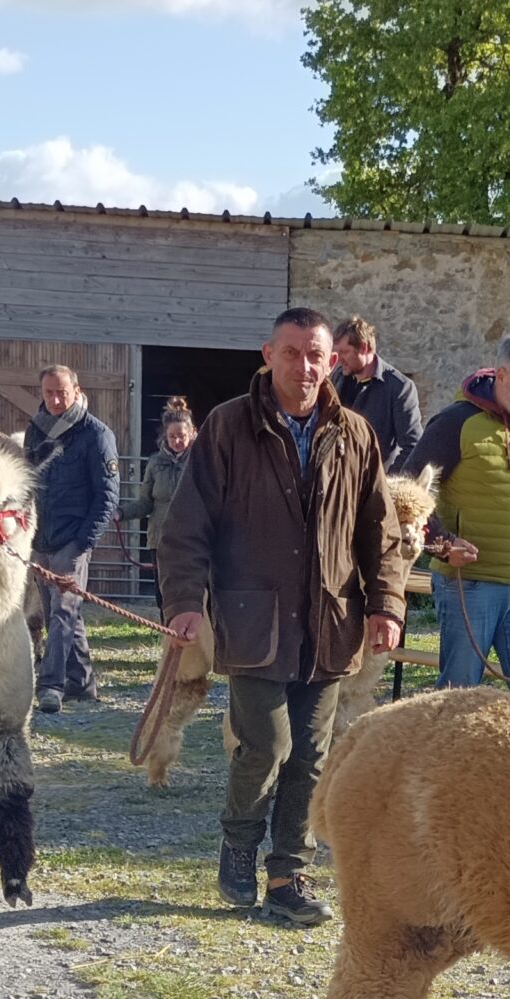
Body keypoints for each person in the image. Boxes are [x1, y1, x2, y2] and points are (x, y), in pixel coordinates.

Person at [158, 308, 410, 926]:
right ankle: (240, 845)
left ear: (333, 361)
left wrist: (386, 603)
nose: (304, 366)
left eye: (315, 355)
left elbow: (382, 531)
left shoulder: (355, 434)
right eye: (292, 353)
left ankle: (288, 874)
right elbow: (188, 527)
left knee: (311, 757)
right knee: (266, 746)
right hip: (252, 620)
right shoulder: (226, 428)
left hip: (330, 624)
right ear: (268, 354)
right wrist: (186, 602)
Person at [400, 333, 510, 703]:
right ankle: (443, 763)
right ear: (501, 375)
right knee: (457, 695)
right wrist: (443, 547)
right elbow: (407, 493)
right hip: (468, 586)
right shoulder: (453, 422)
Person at [25, 364, 120, 713]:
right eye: (49, 392)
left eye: (62, 392)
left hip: (73, 538)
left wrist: (84, 541)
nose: (55, 399)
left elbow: (107, 495)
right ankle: (82, 683)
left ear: (76, 391)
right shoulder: (37, 431)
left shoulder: (96, 435)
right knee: (57, 612)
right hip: (42, 536)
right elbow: (28, 480)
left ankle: (51, 685)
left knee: (64, 610)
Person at [119, 396, 196, 598]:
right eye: (172, 436)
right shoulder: (155, 463)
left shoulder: (203, 462)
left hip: (193, 540)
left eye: (181, 435)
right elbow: (145, 503)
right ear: (165, 436)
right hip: (160, 540)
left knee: (191, 595)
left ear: (191, 433)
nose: (177, 441)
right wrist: (121, 513)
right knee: (164, 595)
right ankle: (166, 629)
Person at [333, 316, 424, 471]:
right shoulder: (338, 377)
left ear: (364, 348)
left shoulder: (399, 387)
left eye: (344, 352)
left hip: (373, 485)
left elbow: (412, 445)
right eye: (337, 352)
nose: (339, 359)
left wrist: (387, 483)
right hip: (339, 480)